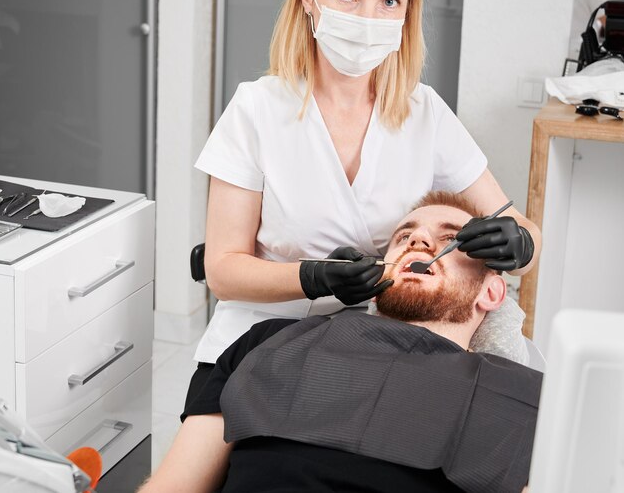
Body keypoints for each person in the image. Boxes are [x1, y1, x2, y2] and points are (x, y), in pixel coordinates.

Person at [187, 0, 542, 409]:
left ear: (405, 13)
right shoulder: (257, 109)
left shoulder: (425, 113)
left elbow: (521, 225)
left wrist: (520, 242)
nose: (367, 19)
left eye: (389, 1)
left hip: (381, 346)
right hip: (260, 337)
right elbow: (223, 269)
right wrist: (310, 277)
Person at [141, 191, 542, 493]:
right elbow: (174, 485)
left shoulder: (522, 397)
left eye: (453, 238)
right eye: (404, 236)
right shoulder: (269, 343)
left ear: (492, 292)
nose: (419, 242)